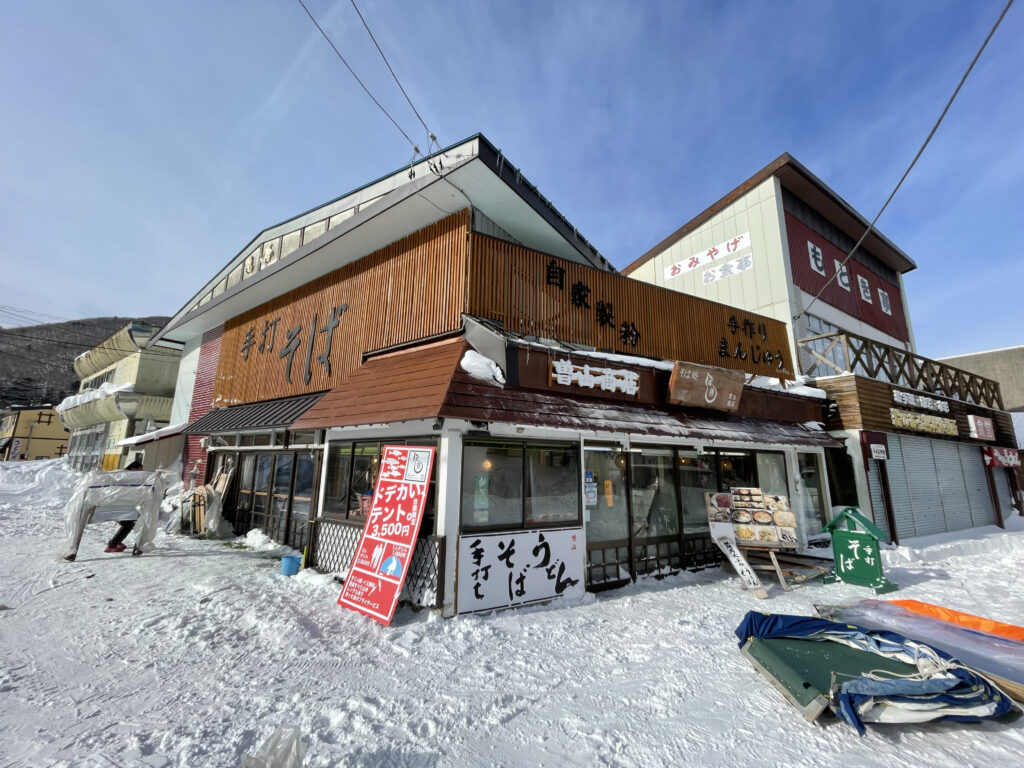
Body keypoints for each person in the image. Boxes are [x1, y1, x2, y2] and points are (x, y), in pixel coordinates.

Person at [105, 459, 144, 553]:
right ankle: (112, 544)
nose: (140, 472)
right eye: (139, 469)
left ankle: (117, 542)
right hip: (118, 505)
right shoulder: (126, 477)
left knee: (128, 523)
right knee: (128, 524)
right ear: (133, 468)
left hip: (121, 505)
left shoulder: (126, 476)